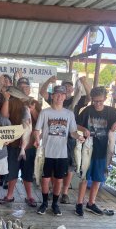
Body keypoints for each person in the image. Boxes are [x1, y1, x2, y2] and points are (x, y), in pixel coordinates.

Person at [75, 86, 116, 217]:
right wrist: (83, 128)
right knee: (84, 176)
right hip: (88, 151)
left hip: (103, 151)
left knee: (98, 178)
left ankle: (91, 203)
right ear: (92, 100)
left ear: (105, 99)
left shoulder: (110, 111)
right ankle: (79, 203)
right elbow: (75, 124)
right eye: (95, 101)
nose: (97, 104)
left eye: (100, 101)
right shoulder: (87, 110)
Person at [34, 85, 84, 216]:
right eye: (56, 94)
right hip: (45, 153)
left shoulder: (69, 114)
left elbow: (72, 132)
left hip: (62, 153)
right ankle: (44, 203)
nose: (59, 97)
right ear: (52, 96)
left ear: (65, 97)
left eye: (62, 95)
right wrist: (36, 139)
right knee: (44, 180)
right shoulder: (45, 112)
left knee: (59, 180)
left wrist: (79, 136)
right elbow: (36, 129)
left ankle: (55, 204)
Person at [40, 76, 92, 204]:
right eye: (65, 86)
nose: (68, 88)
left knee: (70, 167)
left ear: (72, 89)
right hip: (54, 139)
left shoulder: (77, 100)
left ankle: (65, 192)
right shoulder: (54, 101)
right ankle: (53, 190)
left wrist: (85, 83)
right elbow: (43, 93)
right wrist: (48, 81)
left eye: (70, 87)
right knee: (52, 167)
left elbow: (89, 98)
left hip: (71, 138)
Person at [0, 77, 40, 207]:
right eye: (21, 87)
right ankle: (9, 196)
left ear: (29, 88)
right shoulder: (11, 101)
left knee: (28, 172)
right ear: (17, 89)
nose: (24, 88)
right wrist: (6, 98)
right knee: (12, 170)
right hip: (13, 143)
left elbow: (41, 121)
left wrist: (33, 111)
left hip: (29, 145)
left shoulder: (35, 102)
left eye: (26, 86)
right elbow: (4, 116)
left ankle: (30, 196)